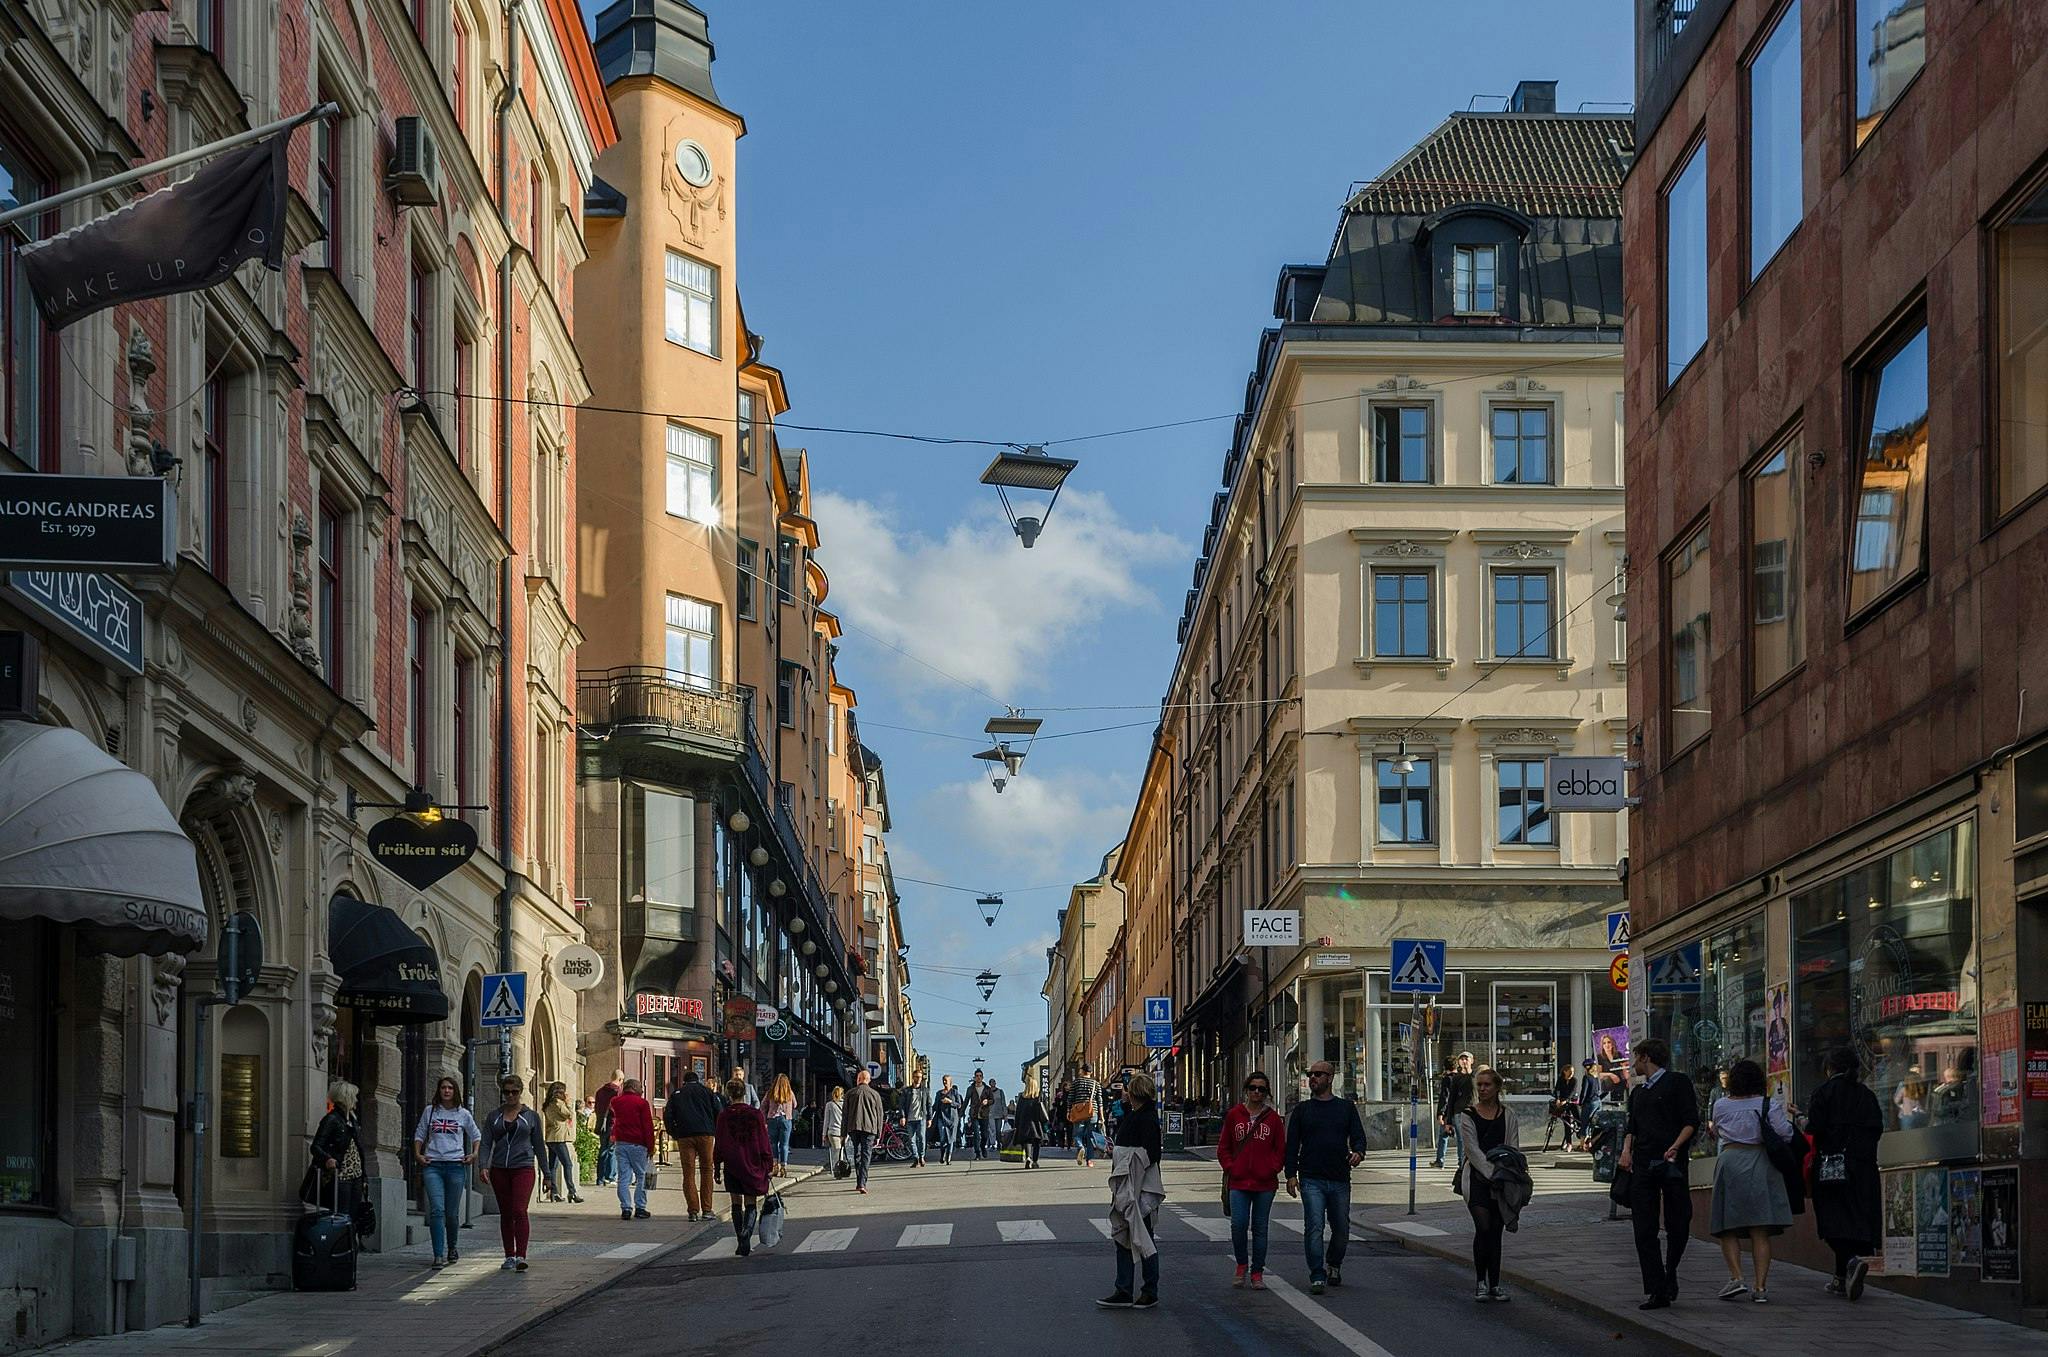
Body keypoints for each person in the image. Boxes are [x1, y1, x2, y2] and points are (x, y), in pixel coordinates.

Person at [1621, 1037, 1700, 1310]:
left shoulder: (1677, 1082)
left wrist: (1676, 1147)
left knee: (1678, 1222)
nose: (1633, 1063)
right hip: (1643, 1165)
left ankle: (1671, 1271)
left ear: (1645, 1057)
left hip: (1671, 1164)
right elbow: (1632, 1126)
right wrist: (1626, 1150)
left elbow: (1691, 1120)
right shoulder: (1638, 1092)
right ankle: (1656, 1288)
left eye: (1636, 1057)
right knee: (1644, 1228)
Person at [1707, 1058, 1795, 1303]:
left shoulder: (1721, 1105)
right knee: (1759, 1229)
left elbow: (1717, 1131)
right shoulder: (1768, 1104)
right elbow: (1785, 1134)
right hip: (1761, 1161)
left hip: (1730, 1160)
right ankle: (1760, 1288)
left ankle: (1736, 1277)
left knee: (1727, 1225)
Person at [1804, 1046, 1882, 1301]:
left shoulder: (1824, 1092)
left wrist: (1801, 1119)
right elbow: (1876, 1129)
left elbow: (1814, 1126)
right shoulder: (1866, 1095)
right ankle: (1842, 1274)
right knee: (1858, 1218)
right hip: (1864, 1166)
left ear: (1830, 1068)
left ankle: (1849, 1263)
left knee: (1833, 1220)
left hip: (1832, 1165)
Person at [1285, 1059, 1368, 1296]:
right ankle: (1317, 1273)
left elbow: (1359, 1137)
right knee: (1314, 1226)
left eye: (1319, 1074)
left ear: (1330, 1078)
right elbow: (1291, 1146)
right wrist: (1290, 1175)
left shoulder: (1345, 1108)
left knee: (1341, 1228)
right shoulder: (1302, 1110)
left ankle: (1334, 1263)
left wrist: (1358, 1153)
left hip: (1340, 1177)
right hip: (1311, 1177)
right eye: (1311, 1074)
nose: (1313, 1078)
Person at [1098, 1072, 1165, 1310]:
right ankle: (1126, 1289)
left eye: (1128, 1090)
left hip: (1138, 1186)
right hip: (1132, 1183)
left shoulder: (1144, 1118)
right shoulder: (1139, 1115)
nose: (1124, 1093)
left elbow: (1151, 1153)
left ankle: (1146, 1289)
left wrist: (1123, 1156)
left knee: (1140, 1235)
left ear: (1135, 1093)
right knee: (1128, 1235)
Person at [1457, 1066, 1521, 1302]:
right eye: (1480, 1085)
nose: (1482, 1089)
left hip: (1502, 1181)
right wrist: (1490, 1171)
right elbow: (1472, 1150)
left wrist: (1505, 1174)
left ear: (1497, 1088)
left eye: (1487, 1085)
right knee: (1483, 1228)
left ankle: (1495, 1284)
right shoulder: (1468, 1114)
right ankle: (1480, 1282)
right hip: (1476, 1179)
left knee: (1496, 1231)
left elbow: (1513, 1148)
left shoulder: (1509, 1115)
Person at [1217, 1071, 1285, 1290]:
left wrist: (1273, 1168)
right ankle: (1241, 1264)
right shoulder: (1234, 1115)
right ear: (1246, 1090)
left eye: (1262, 1089)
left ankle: (1257, 1271)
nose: (1257, 1092)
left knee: (1260, 1227)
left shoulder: (1273, 1119)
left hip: (1265, 1183)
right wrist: (1231, 1167)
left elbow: (1280, 1149)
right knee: (1238, 1224)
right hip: (1239, 1181)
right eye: (1253, 1088)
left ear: (1267, 1093)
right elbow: (1224, 1147)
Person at [478, 1075, 544, 1271]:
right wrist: (483, 1165)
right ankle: (509, 1255)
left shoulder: (531, 1116)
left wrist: (547, 1174)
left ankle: (521, 1255)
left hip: (523, 1167)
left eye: (514, 1092)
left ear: (520, 1092)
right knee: (506, 1213)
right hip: (500, 1168)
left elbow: (539, 1145)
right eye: (506, 1092)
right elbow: (486, 1142)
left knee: (519, 1210)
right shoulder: (494, 1116)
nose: (510, 1096)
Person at [413, 1077, 480, 1267]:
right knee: (437, 1210)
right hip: (433, 1165)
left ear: (455, 1091)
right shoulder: (430, 1111)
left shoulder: (463, 1114)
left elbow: (476, 1135)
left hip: (455, 1167)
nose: (447, 1091)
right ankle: (437, 1254)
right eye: (443, 1087)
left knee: (451, 1213)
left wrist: (473, 1154)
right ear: (439, 1090)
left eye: (450, 1088)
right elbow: (419, 1133)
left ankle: (452, 1247)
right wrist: (418, 1154)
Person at [715, 1077, 775, 1257]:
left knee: (735, 1202)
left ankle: (741, 1239)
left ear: (729, 1094)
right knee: (750, 1202)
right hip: (752, 1162)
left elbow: (719, 1142)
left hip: (732, 1163)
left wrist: (716, 1165)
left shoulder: (724, 1115)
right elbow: (764, 1141)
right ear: (744, 1093)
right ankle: (746, 1233)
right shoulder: (755, 1115)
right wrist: (768, 1163)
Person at [663, 1069, 724, 1222]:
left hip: (685, 1136)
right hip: (705, 1134)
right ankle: (707, 1209)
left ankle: (693, 1211)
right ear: (698, 1080)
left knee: (688, 1174)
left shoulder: (677, 1094)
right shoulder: (708, 1092)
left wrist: (674, 1133)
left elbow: (668, 1116)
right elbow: (720, 1112)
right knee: (706, 1170)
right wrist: (715, 1130)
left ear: (684, 1081)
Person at [307, 1080, 369, 1219]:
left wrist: (364, 1178)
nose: (356, 1100)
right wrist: (328, 1158)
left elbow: (359, 1151)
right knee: (342, 1215)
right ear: (346, 1098)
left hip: (356, 1177)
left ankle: (352, 1240)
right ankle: (343, 1240)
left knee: (354, 1216)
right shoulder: (331, 1119)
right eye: (354, 1096)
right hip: (341, 1177)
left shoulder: (352, 1121)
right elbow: (316, 1147)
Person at [609, 1077, 657, 1220]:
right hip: (638, 1143)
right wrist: (651, 1146)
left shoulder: (616, 1102)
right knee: (642, 1175)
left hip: (621, 1142)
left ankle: (625, 1208)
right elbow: (647, 1126)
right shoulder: (642, 1103)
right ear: (635, 1088)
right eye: (641, 1088)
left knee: (624, 1177)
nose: (642, 1091)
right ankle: (640, 1207)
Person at [539, 1082, 582, 1204]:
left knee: (553, 1166)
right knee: (568, 1164)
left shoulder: (548, 1103)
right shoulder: (558, 1103)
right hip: (558, 1138)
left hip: (551, 1137)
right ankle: (572, 1192)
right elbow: (569, 1115)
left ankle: (554, 1192)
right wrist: (568, 1102)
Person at [843, 1068, 885, 1193]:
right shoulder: (875, 1094)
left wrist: (843, 1133)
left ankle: (858, 1181)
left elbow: (844, 1115)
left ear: (859, 1079)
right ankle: (862, 1182)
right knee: (866, 1155)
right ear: (868, 1080)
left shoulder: (850, 1093)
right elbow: (880, 1115)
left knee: (856, 1154)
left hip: (853, 1127)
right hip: (870, 1128)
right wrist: (879, 1132)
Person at [1434, 1051, 1475, 1168]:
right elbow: (1449, 1098)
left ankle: (1471, 1162)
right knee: (1462, 1139)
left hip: (1474, 1112)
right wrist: (1448, 1120)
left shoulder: (1476, 1076)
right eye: (1461, 1059)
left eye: (1466, 1059)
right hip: (1459, 1112)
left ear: (1472, 1061)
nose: (1464, 1061)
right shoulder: (1456, 1079)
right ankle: (1462, 1163)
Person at [592, 1070, 624, 1186]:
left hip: (602, 1124)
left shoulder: (600, 1091)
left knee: (603, 1149)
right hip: (613, 1124)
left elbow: (596, 1108)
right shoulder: (618, 1092)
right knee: (612, 1150)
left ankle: (600, 1178)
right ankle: (610, 1176)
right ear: (620, 1080)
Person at [1068, 1068, 1105, 1168]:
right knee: (1090, 1137)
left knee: (1077, 1134)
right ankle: (1089, 1160)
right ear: (1091, 1072)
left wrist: (1068, 1111)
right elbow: (1100, 1101)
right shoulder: (1095, 1084)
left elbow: (1070, 1098)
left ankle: (1080, 1147)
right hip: (1093, 1112)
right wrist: (1101, 1116)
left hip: (1078, 1112)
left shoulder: (1076, 1082)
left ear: (1081, 1071)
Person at [1012, 1076, 1050, 1167]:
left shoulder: (1022, 1096)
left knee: (1027, 1141)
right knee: (1037, 1142)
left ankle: (1028, 1157)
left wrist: (1016, 1124)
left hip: (1024, 1123)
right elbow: (1045, 1109)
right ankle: (1035, 1161)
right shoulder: (1040, 1095)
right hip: (1037, 1122)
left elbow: (1018, 1111)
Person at [763, 1073, 796, 1179]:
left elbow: (763, 1105)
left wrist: (764, 1120)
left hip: (772, 1119)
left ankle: (775, 1166)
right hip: (786, 1119)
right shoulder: (789, 1093)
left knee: (773, 1144)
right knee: (784, 1145)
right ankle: (784, 1166)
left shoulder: (771, 1093)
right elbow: (795, 1104)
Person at [902, 1069, 931, 1167]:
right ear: (913, 1077)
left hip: (921, 1118)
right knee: (911, 1140)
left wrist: (929, 1118)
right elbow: (901, 1105)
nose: (918, 1079)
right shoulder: (906, 1091)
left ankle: (921, 1157)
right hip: (910, 1119)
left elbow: (928, 1104)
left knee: (922, 1138)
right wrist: (903, 1116)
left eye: (920, 1077)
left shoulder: (925, 1090)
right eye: (916, 1077)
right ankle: (916, 1158)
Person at [932, 1075, 963, 1165]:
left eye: (946, 1080)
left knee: (950, 1139)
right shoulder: (939, 1093)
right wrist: (929, 1115)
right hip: (941, 1118)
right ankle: (942, 1155)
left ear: (950, 1082)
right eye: (943, 1080)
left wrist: (950, 1102)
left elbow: (959, 1104)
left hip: (953, 1118)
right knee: (942, 1139)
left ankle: (948, 1157)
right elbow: (935, 1106)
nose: (944, 1082)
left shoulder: (955, 1092)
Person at [821, 1086, 847, 1173]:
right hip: (844, 1132)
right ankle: (840, 1169)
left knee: (836, 1151)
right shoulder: (846, 1105)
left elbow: (826, 1120)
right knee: (841, 1150)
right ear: (842, 1094)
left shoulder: (829, 1105)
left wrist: (824, 1134)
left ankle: (836, 1169)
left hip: (833, 1131)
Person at [984, 1079, 1009, 1157]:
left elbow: (1003, 1103)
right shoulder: (986, 1092)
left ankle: (999, 1143)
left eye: (994, 1082)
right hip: (990, 1114)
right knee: (992, 1130)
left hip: (999, 1114)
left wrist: (1005, 1114)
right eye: (991, 1082)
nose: (993, 1084)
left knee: (998, 1130)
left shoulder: (1000, 1092)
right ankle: (992, 1144)